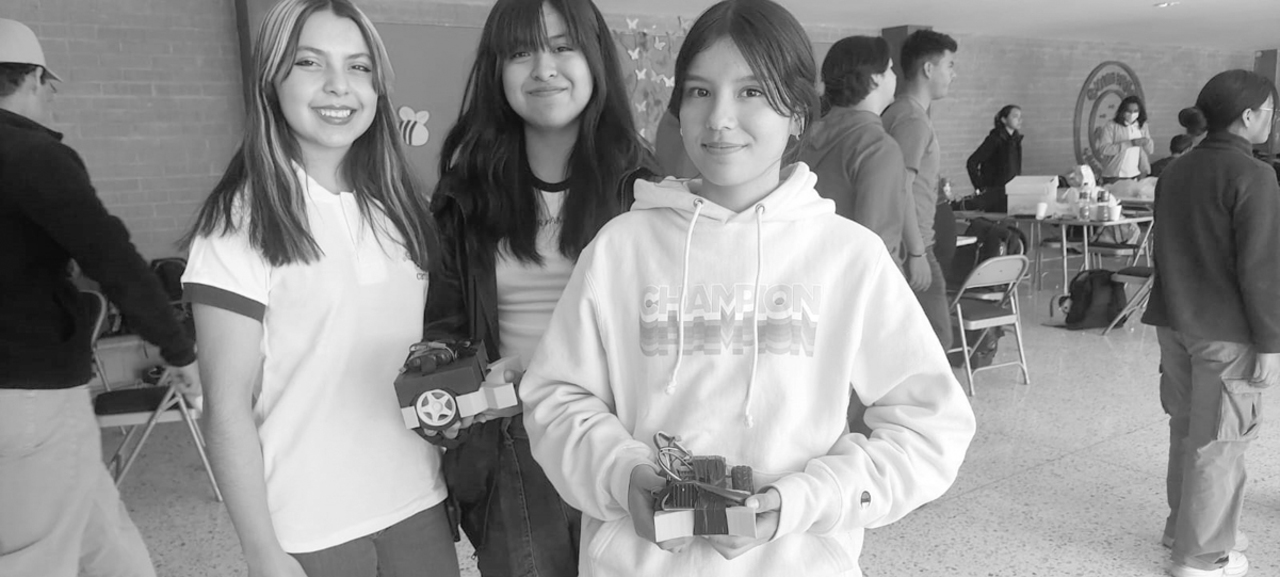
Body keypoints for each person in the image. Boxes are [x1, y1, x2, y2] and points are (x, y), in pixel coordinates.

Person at [519, 1, 977, 575]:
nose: (719, 118)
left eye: (752, 91)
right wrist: (622, 473)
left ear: (799, 115)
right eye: (699, 91)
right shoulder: (620, 248)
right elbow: (556, 398)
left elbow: (932, 428)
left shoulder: (848, 257)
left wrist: (804, 500)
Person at [179, 1, 457, 575]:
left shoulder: (403, 208)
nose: (338, 85)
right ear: (272, 78)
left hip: (417, 505)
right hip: (308, 527)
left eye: (358, 67)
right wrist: (262, 551)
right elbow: (226, 408)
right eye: (310, 62)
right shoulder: (240, 221)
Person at [422, 0, 653, 574]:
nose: (543, 68)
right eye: (521, 51)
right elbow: (446, 323)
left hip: (622, 436)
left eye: (563, 46)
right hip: (512, 439)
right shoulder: (465, 194)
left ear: (594, 58)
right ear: (497, 70)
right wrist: (450, 383)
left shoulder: (644, 190)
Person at [0, 18, 201, 577]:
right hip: (30, 394)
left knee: (103, 533)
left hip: (32, 404)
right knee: (35, 557)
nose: (51, 98)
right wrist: (178, 348)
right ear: (33, 78)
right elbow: (111, 258)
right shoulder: (31, 155)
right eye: (50, 86)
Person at [1142, 69, 1280, 577]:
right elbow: (1261, 267)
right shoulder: (1254, 175)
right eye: (1270, 111)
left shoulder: (1176, 169)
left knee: (1186, 430)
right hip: (1227, 331)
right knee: (1221, 441)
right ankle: (1202, 556)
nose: (1272, 120)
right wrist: (1271, 340)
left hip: (1174, 321)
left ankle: (1182, 527)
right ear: (1248, 116)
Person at [798, 35, 908, 267]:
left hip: (806, 269)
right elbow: (878, 245)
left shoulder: (802, 137)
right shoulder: (877, 148)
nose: (895, 76)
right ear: (875, 78)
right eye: (890, 69)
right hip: (854, 276)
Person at [882, 29, 959, 352]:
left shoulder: (905, 113)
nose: (953, 74)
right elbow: (900, 187)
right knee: (937, 342)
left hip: (912, 243)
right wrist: (916, 253)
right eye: (949, 65)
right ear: (928, 69)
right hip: (911, 247)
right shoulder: (911, 119)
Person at [965, 104, 1023, 212]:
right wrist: (981, 187)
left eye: (1020, 117)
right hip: (994, 193)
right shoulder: (994, 139)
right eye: (1015, 116)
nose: (1019, 120)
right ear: (1004, 119)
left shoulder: (1016, 140)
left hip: (1011, 192)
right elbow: (972, 162)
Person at [1098, 95, 1154, 184]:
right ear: (1122, 111)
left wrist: (1146, 142)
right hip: (1115, 175)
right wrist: (1130, 143)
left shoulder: (1142, 126)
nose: (1132, 114)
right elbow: (1104, 149)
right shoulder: (1112, 125)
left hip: (1136, 173)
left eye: (1135, 111)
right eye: (1129, 111)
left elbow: (1150, 150)